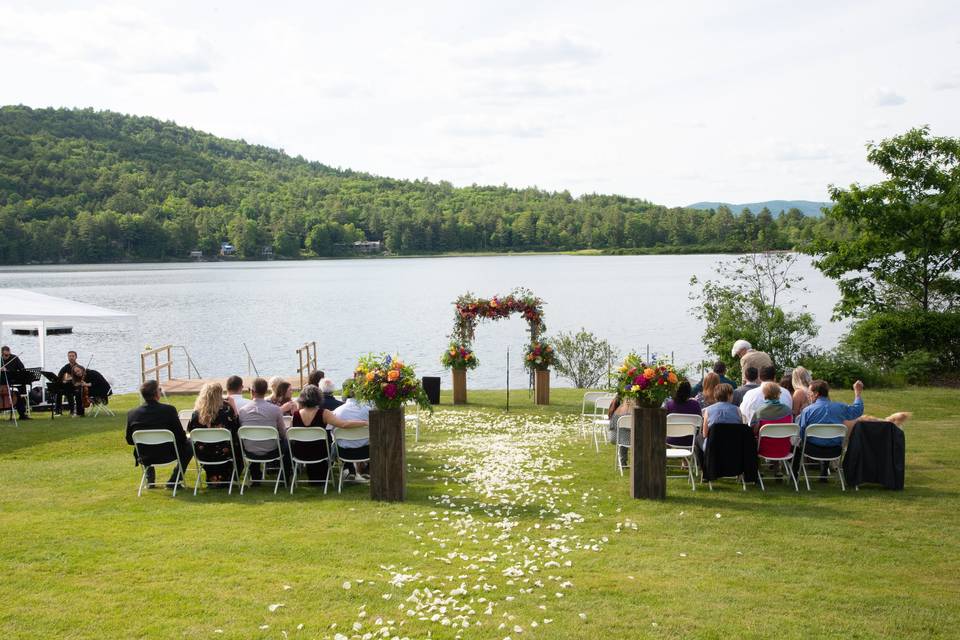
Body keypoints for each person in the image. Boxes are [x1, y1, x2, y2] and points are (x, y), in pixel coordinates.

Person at [125, 380, 192, 487]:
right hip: (168, 454)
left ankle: (150, 478)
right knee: (190, 444)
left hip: (145, 455)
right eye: (159, 390)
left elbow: (129, 440)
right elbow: (181, 437)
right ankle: (174, 480)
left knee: (142, 444)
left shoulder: (132, 413)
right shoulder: (169, 410)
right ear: (156, 394)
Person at [295, 383, 367, 482]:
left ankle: (349, 470)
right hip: (321, 452)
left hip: (300, 453)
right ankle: (350, 470)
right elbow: (343, 425)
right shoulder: (324, 413)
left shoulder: (295, 415)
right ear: (318, 397)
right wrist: (365, 423)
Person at [796, 379, 864, 480]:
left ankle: (794, 474)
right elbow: (857, 411)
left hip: (811, 450)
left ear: (816, 394)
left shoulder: (807, 411)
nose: (808, 395)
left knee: (797, 445)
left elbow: (801, 432)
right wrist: (857, 393)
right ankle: (824, 474)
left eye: (809, 393)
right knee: (828, 439)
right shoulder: (840, 407)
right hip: (835, 450)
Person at [187, 382, 241, 486]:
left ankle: (214, 478)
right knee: (237, 442)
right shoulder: (227, 410)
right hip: (224, 453)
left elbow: (190, 431)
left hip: (204, 454)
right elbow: (236, 428)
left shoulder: (197, 413)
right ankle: (225, 477)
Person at [238, 377, 289, 481]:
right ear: (266, 391)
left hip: (249, 451)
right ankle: (285, 476)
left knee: (252, 440)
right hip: (272, 450)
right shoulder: (275, 410)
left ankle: (255, 476)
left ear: (252, 391)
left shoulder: (242, 411)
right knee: (288, 442)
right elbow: (283, 433)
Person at [332, 380, 374, 480]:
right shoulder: (368, 409)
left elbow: (333, 432)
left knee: (336, 439)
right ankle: (368, 468)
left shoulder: (338, 411)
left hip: (344, 452)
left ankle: (349, 468)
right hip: (366, 451)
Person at [697, 383, 743, 454]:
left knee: (698, 439)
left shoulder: (708, 410)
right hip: (733, 445)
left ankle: (704, 464)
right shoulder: (737, 410)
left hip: (713, 446)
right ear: (729, 396)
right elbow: (740, 430)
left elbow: (705, 434)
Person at [0, 346, 29, 420]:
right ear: (2, 354)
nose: (8, 356)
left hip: (13, 381)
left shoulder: (14, 358)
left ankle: (22, 414)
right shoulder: (0, 360)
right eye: (6, 355)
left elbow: (22, 368)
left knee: (18, 393)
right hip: (2, 383)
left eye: (9, 354)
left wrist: (8, 370)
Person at [55, 350, 79, 415]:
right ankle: (58, 410)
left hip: (75, 387)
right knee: (58, 391)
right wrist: (63, 379)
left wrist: (70, 379)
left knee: (69, 391)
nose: (71, 357)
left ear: (76, 357)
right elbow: (59, 375)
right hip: (66, 386)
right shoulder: (66, 367)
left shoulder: (78, 367)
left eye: (73, 356)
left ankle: (72, 410)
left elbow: (79, 378)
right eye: (69, 356)